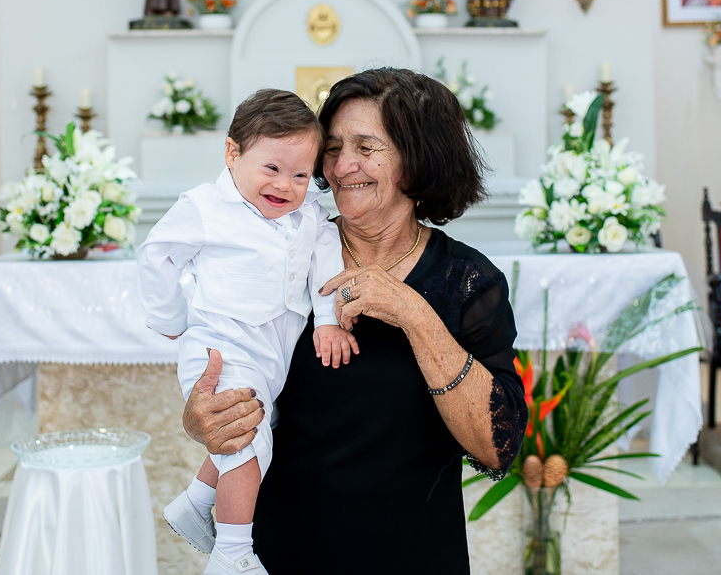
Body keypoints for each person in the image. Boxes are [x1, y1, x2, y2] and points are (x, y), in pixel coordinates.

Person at [182, 68, 528, 575]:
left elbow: (497, 448)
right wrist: (202, 420)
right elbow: (225, 370)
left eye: (367, 148)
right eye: (334, 146)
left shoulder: (468, 281)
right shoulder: (283, 254)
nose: (342, 167)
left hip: (412, 551)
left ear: (418, 159)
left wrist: (414, 313)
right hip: (286, 548)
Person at [138, 89, 351, 575]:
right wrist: (171, 319)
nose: (286, 185)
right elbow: (157, 255)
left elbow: (327, 265)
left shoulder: (310, 216)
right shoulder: (206, 207)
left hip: (271, 353)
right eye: (271, 169)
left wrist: (328, 320)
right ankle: (233, 552)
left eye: (301, 175)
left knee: (255, 430)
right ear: (233, 154)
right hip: (220, 346)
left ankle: (195, 502)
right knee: (247, 437)